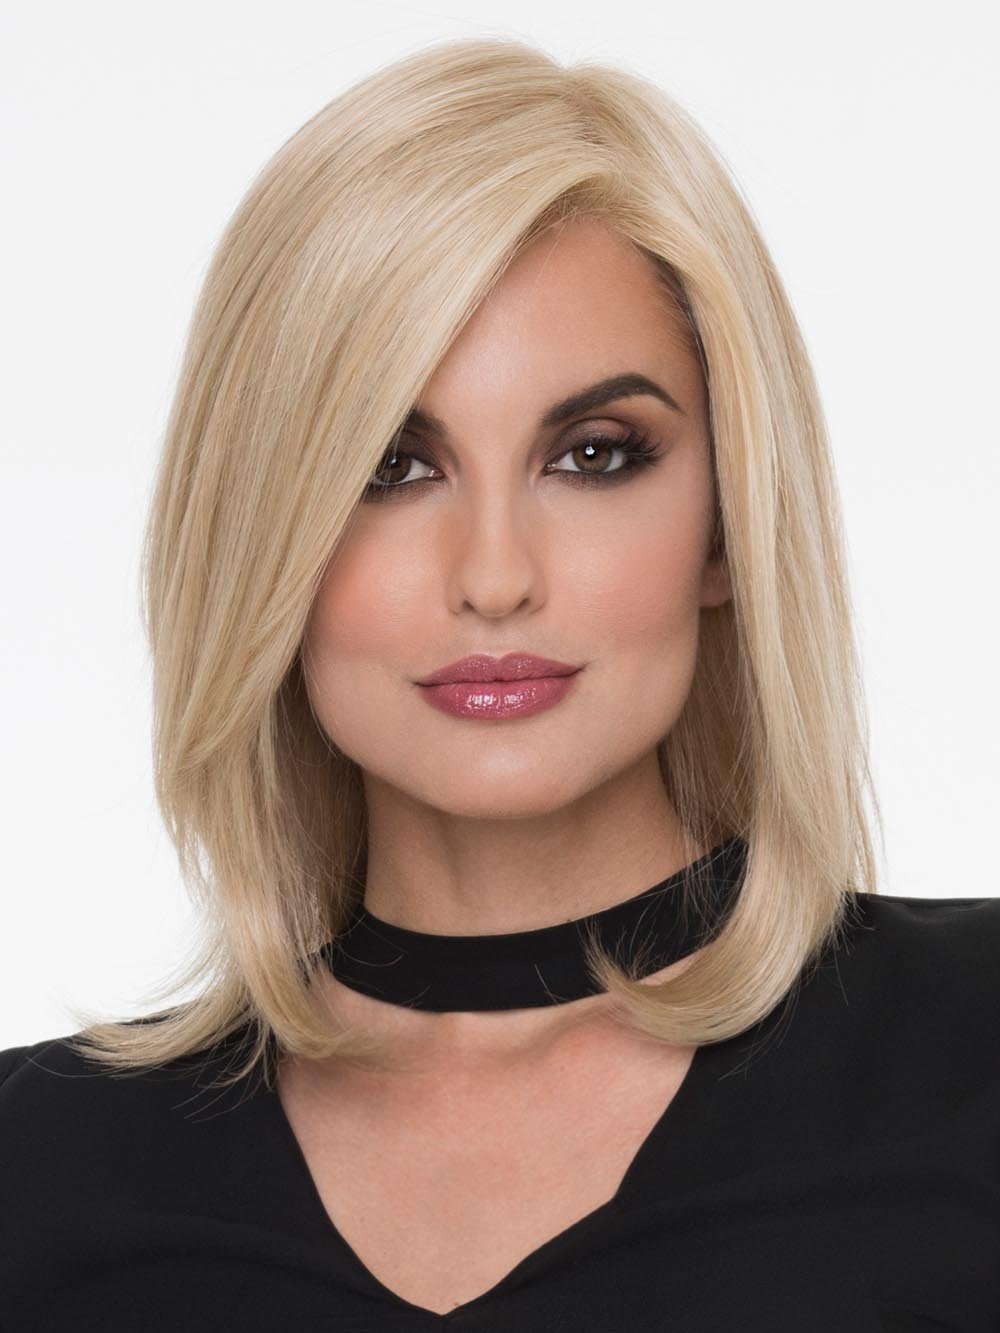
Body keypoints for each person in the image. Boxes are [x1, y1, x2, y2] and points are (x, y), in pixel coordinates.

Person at [2, 36, 998, 1332]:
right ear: (264, 535)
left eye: (594, 454)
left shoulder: (971, 1056)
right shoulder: (39, 1176)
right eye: (390, 465)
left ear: (724, 524)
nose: (493, 576)